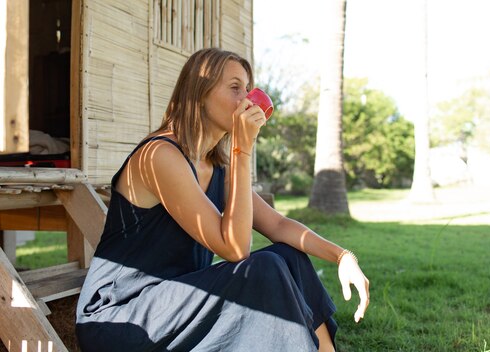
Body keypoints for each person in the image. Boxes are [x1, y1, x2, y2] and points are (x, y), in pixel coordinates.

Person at [75, 48, 369, 352]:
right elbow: (235, 249)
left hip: (177, 304)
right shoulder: (160, 155)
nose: (247, 100)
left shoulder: (216, 167)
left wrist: (342, 256)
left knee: (289, 256)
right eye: (235, 88)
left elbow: (278, 224)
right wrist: (242, 149)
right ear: (199, 93)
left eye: (247, 89)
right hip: (120, 317)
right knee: (264, 267)